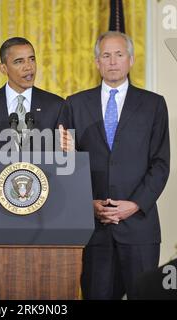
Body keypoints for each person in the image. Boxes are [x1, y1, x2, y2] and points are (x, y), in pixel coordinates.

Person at [63, 31, 170, 299]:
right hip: (94, 230)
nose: (112, 62)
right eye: (106, 56)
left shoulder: (153, 104)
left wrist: (133, 205)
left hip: (139, 228)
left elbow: (160, 163)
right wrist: (89, 203)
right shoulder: (75, 104)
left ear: (131, 60)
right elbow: (66, 163)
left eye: (119, 55)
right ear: (97, 62)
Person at [0, 37, 70, 152]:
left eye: (32, 59)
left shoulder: (56, 106)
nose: (29, 67)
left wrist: (70, 151)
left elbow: (66, 158)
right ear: (3, 68)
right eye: (19, 61)